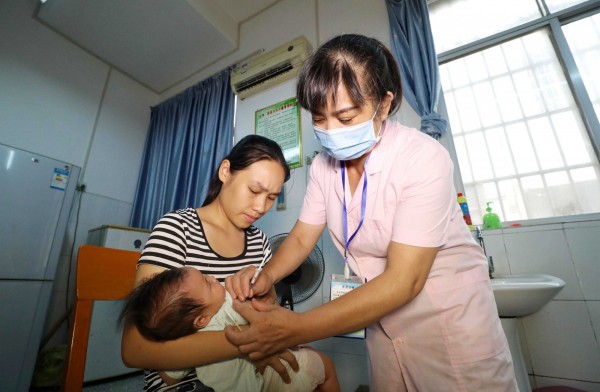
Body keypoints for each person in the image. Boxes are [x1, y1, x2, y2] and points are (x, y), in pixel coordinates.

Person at [224, 34, 519, 392]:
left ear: (383, 105)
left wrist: (294, 328)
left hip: (448, 322)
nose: (331, 132)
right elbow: (302, 236)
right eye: (320, 119)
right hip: (382, 321)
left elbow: (404, 280)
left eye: (345, 117)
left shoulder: (422, 158)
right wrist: (266, 276)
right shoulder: (323, 168)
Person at [121, 134, 306, 391]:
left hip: (249, 377)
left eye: (271, 197)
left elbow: (267, 319)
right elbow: (135, 349)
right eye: (254, 190)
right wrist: (250, 342)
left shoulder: (259, 243)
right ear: (225, 171)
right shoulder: (177, 229)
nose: (261, 206)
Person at [120, 266, 339, 391]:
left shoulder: (187, 334)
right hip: (271, 379)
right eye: (207, 282)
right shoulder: (229, 304)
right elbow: (270, 324)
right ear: (201, 320)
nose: (213, 277)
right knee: (326, 366)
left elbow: (170, 377)